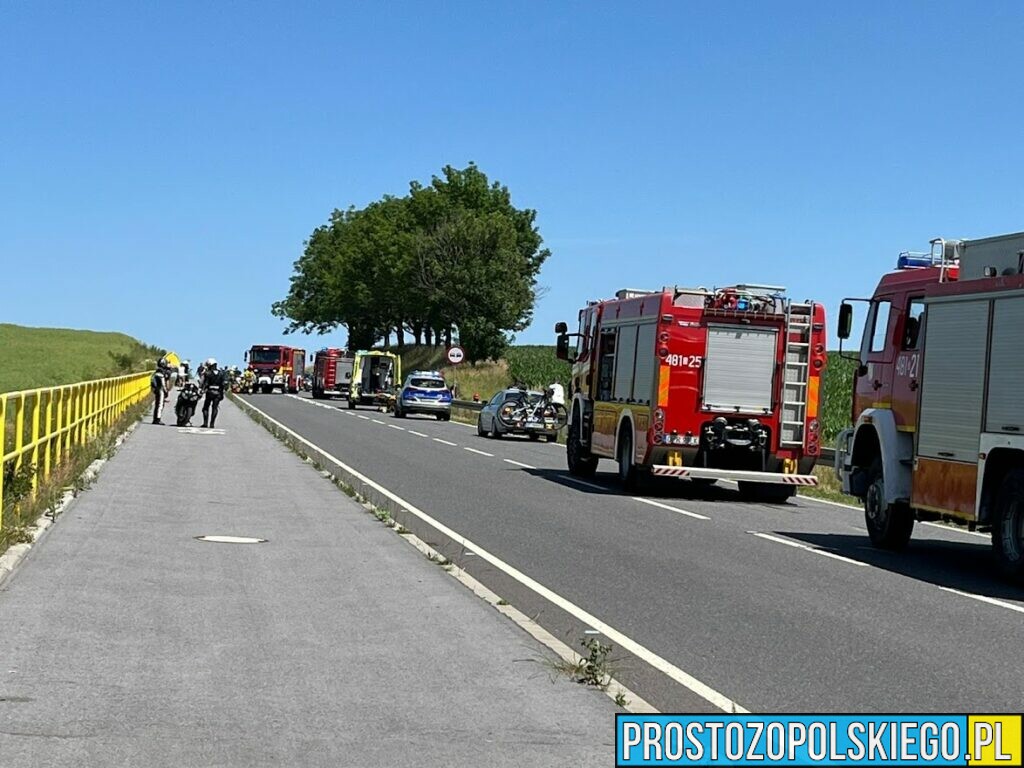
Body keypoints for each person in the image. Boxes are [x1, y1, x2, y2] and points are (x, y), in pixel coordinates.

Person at [200, 358, 226, 428]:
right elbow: (223, 384)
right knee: (215, 408)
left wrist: (202, 390)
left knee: (205, 408)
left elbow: (205, 383)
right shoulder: (221, 373)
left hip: (210, 392)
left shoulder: (208, 373)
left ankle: (205, 423)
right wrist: (222, 393)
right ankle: (212, 424)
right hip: (218, 393)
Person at [151, 357, 173, 425]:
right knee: (160, 404)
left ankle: (156, 419)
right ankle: (157, 419)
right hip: (160, 389)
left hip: (157, 389)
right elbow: (163, 382)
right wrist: (166, 390)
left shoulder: (157, 371)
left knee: (158, 404)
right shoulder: (161, 372)